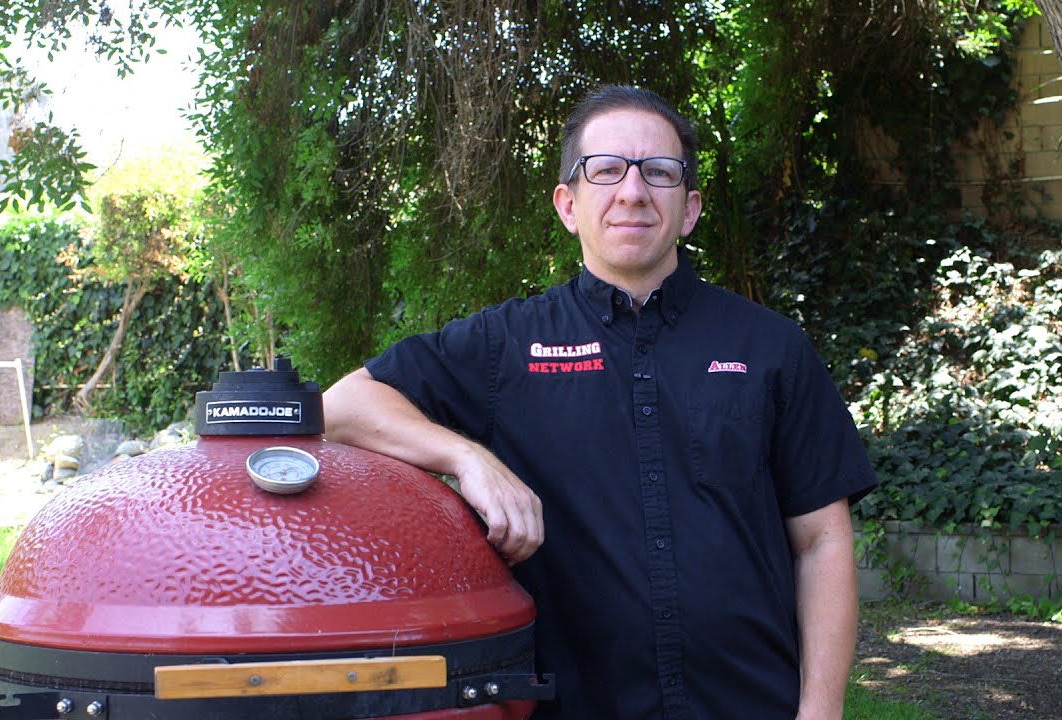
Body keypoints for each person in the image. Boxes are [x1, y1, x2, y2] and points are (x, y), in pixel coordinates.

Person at [323, 85, 877, 720]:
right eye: (606, 170)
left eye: (659, 172)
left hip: (751, 704)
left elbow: (821, 542)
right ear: (568, 205)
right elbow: (343, 405)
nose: (633, 191)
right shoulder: (505, 345)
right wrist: (467, 458)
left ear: (690, 208)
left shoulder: (771, 346)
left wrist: (821, 710)